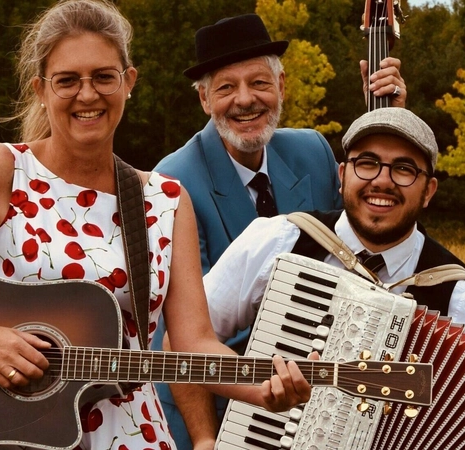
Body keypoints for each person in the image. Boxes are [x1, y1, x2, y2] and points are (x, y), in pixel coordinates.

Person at [0, 1, 315, 448]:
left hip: (132, 434)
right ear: (41, 89)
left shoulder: (166, 200)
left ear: (129, 81)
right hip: (12, 432)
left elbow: (194, 343)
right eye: (67, 80)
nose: (88, 95)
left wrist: (264, 389)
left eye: (104, 77)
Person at [152, 13, 408, 448]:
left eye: (259, 83)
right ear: (203, 100)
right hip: (209, 403)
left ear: (282, 86)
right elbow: (178, 336)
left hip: (314, 396)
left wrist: (393, 123)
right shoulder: (174, 184)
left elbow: (369, 231)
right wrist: (203, 440)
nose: (245, 100)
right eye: (226, 88)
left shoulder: (313, 151)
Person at [187, 107, 465, 447]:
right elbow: (184, 338)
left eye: (405, 169)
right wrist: (204, 439)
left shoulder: (459, 298)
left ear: (428, 191)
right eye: (367, 163)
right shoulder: (278, 241)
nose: (382, 180)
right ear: (342, 174)